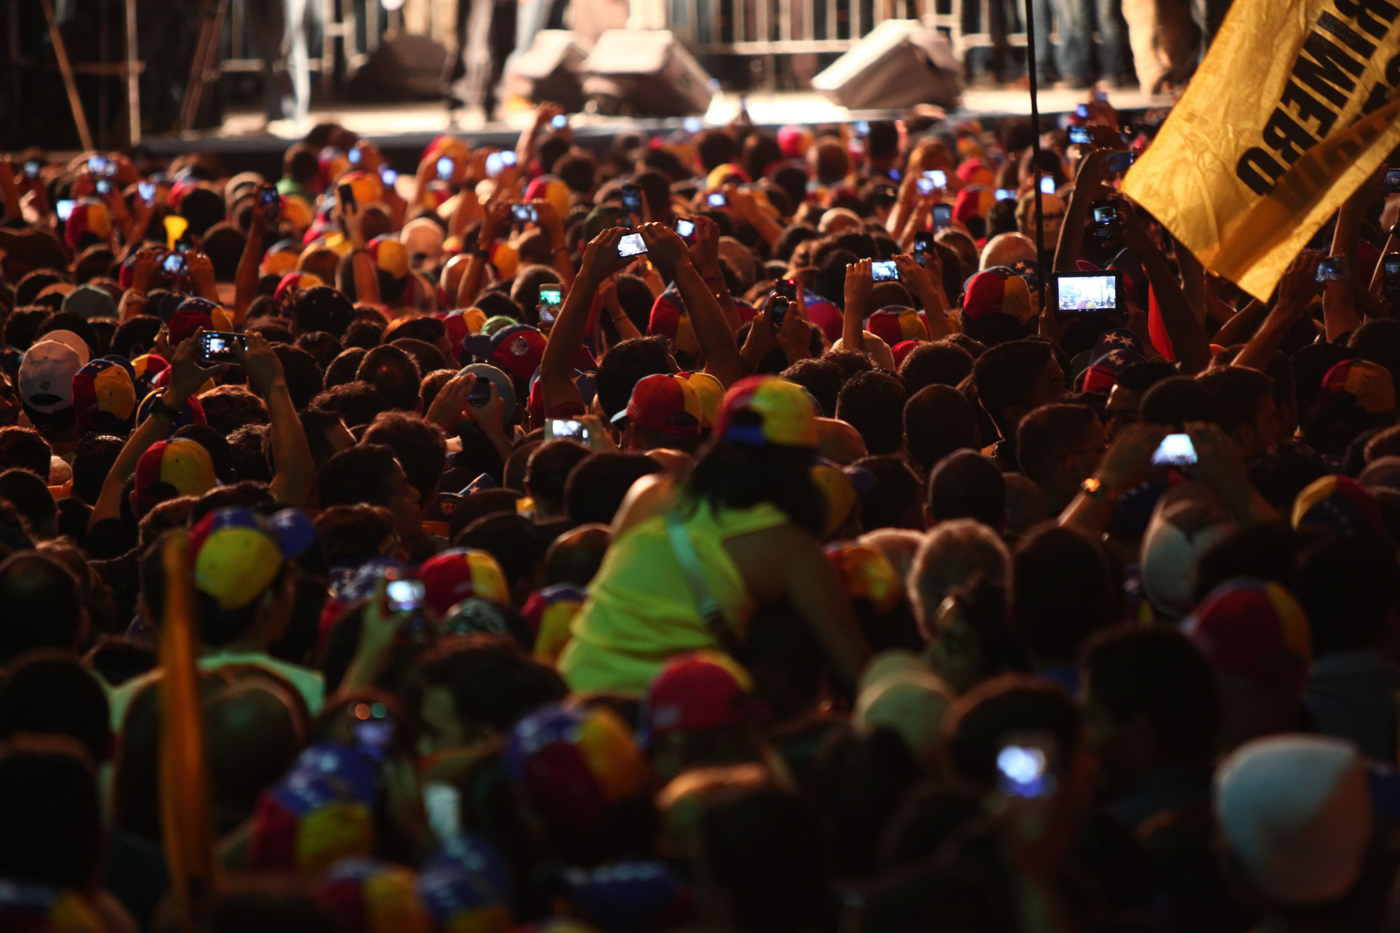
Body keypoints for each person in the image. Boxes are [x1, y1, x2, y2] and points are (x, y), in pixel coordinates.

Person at [560, 377, 871, 696]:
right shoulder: (792, 550)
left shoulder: (648, 494)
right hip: (664, 718)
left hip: (574, 690)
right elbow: (856, 669)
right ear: (803, 459)